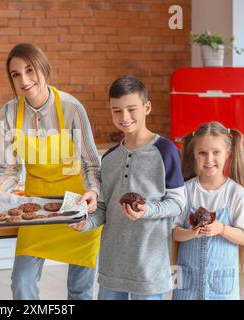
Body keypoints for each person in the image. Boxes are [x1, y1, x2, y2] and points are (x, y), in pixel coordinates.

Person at [0, 43, 102, 300]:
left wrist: (94, 193)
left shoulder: (71, 108)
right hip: (36, 209)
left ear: (43, 68)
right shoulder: (8, 113)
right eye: (16, 74)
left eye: (30, 70)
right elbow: (9, 169)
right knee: (22, 283)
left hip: (76, 205)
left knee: (80, 291)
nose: (24, 79)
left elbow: (91, 164)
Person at [72, 76, 186, 300]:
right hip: (112, 265)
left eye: (132, 109)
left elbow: (178, 203)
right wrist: (86, 222)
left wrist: (147, 210)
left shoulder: (166, 150)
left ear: (147, 107)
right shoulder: (110, 157)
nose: (124, 117)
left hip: (149, 267)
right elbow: (104, 208)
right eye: (117, 110)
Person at [172, 122, 244, 300]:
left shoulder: (236, 193)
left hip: (222, 286)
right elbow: (173, 233)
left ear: (228, 154)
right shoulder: (184, 190)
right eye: (202, 153)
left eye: (216, 152)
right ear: (194, 154)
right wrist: (190, 233)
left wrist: (221, 229)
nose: (209, 159)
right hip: (185, 282)